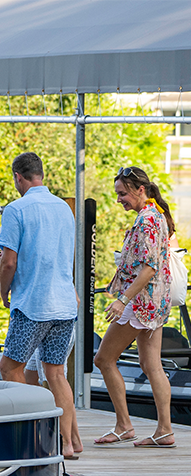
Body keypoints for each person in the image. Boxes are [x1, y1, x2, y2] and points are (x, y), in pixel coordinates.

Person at [0, 152, 82, 459]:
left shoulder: (15, 209)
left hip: (32, 304)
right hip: (63, 303)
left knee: (10, 368)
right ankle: (69, 443)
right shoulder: (64, 208)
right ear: (40, 174)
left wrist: (4, 291)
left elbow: (8, 262)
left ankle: (32, 437)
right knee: (56, 373)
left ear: (18, 177)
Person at [93, 166, 175, 448]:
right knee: (151, 364)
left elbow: (149, 269)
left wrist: (122, 299)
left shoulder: (147, 220)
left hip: (140, 303)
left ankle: (124, 425)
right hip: (155, 302)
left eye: (122, 193)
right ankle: (165, 430)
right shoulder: (156, 215)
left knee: (103, 359)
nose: (118, 200)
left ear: (140, 190)